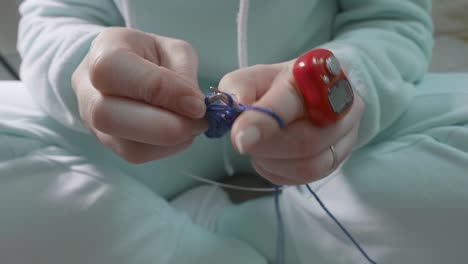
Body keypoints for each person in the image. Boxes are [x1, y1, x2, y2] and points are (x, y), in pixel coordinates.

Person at [1, 0, 466, 263]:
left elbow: (391, 20)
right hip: (127, 148)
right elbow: (52, 18)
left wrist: (347, 83)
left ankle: (173, 241)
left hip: (328, 144)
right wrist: (88, 72)